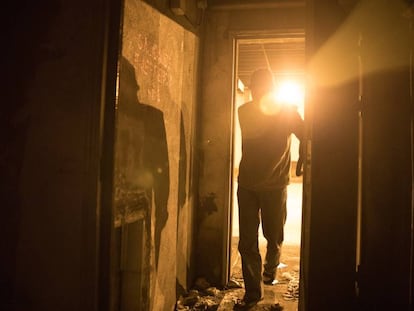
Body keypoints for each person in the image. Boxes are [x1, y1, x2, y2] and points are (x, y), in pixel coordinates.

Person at [235, 68, 304, 309]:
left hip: (274, 185)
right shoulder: (246, 111)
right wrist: (290, 112)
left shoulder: (285, 112)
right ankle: (253, 292)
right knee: (247, 242)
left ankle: (269, 271)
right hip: (248, 184)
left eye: (262, 87)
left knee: (273, 236)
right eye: (255, 88)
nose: (257, 92)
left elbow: (306, 134)